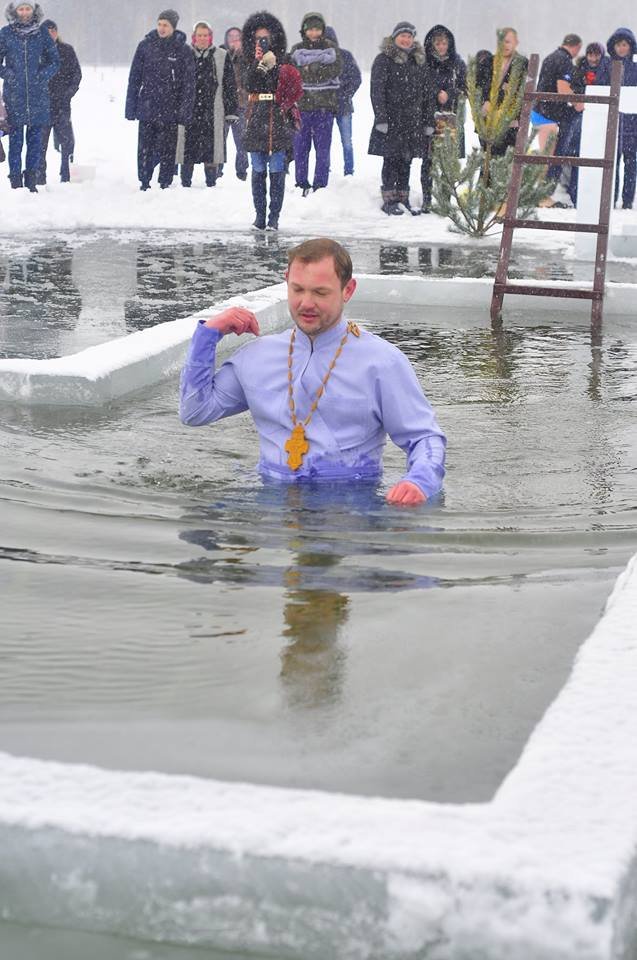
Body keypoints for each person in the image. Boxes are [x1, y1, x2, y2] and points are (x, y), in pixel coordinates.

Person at [180, 238, 446, 505]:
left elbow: (424, 437)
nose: (306, 303)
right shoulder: (256, 356)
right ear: (286, 280)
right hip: (271, 508)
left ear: (348, 290)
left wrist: (418, 482)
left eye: (320, 293)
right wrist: (208, 335)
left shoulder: (382, 363)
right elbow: (194, 411)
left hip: (351, 511)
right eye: (297, 289)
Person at [242, 11, 302, 231]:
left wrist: (275, 66)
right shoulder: (249, 59)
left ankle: (274, 217)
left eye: (265, 38)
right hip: (256, 118)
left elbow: (290, 87)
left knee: (277, 170)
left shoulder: (285, 61)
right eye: (258, 38)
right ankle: (259, 216)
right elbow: (249, 85)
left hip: (277, 118)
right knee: (258, 170)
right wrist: (258, 64)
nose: (262, 42)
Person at [125, 9, 195, 191]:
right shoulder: (145, 46)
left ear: (173, 27)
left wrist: (185, 110)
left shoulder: (183, 50)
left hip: (171, 110)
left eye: (166, 25)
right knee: (145, 148)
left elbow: (189, 84)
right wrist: (130, 107)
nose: (162, 28)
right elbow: (134, 78)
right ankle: (144, 180)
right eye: (159, 24)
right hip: (147, 107)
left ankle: (165, 182)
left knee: (168, 149)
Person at [368, 21, 431, 216]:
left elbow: (427, 93)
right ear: (395, 37)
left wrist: (427, 120)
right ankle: (389, 199)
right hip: (391, 119)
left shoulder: (419, 61)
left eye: (409, 36)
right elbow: (377, 90)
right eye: (403, 36)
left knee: (406, 160)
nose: (406, 40)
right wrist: (381, 117)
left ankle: (403, 198)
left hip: (412, 120)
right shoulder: (384, 59)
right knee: (391, 159)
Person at [0, 2, 59, 192]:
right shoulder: (6, 33)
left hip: (38, 98)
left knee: (35, 143)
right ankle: (15, 181)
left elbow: (54, 61)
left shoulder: (42, 34)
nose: (24, 12)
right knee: (15, 142)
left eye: (27, 8)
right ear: (15, 11)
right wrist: (9, 75)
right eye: (21, 9)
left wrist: (41, 76)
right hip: (14, 96)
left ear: (33, 11)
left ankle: (31, 180)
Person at [175, 21, 238, 188]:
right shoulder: (184, 54)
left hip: (212, 110)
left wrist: (231, 110)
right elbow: (176, 84)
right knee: (187, 147)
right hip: (189, 109)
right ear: (194, 37)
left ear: (210, 37)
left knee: (211, 148)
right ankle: (185, 182)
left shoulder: (221, 55)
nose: (202, 38)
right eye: (199, 35)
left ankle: (211, 182)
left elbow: (230, 85)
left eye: (205, 35)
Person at [290, 12, 342, 194]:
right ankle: (301, 183)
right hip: (301, 108)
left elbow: (335, 70)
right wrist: (316, 69)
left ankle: (320, 185)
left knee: (323, 149)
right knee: (300, 148)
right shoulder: (296, 49)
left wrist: (311, 69)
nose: (314, 33)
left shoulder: (331, 49)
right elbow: (292, 74)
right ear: (304, 31)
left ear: (323, 30)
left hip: (324, 108)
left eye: (317, 29)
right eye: (310, 29)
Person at [534, 33, 584, 206]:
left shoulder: (550, 57)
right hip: (549, 115)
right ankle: (542, 196)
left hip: (540, 110)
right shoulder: (564, 60)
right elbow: (562, 89)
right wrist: (578, 103)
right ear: (576, 46)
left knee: (547, 156)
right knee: (552, 157)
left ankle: (542, 195)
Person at [422, 24, 466, 213]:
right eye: (437, 43)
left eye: (444, 43)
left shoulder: (458, 64)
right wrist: (435, 93)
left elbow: (464, 86)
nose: (441, 47)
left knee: (448, 161)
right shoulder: (424, 63)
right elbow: (419, 85)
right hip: (429, 116)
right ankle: (427, 199)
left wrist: (449, 94)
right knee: (428, 160)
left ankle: (445, 200)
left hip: (451, 117)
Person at [37, 19, 81, 185]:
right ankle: (40, 177)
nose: (51, 34)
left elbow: (76, 74)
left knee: (67, 143)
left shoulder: (67, 50)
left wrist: (68, 93)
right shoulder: (36, 52)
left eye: (53, 31)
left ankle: (67, 174)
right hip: (41, 107)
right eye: (47, 32)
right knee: (40, 144)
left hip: (62, 105)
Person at [598, 29, 637, 210]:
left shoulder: (636, 66)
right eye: (618, 45)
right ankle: (610, 198)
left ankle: (627, 200)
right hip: (612, 121)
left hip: (633, 123)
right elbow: (600, 87)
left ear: (630, 46)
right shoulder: (607, 65)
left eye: (624, 45)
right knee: (611, 161)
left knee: (631, 163)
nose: (621, 48)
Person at [476, 28, 528, 158]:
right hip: (487, 121)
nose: (504, 45)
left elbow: (522, 91)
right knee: (488, 161)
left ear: (516, 42)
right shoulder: (487, 62)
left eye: (508, 42)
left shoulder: (522, 63)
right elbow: (478, 87)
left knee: (507, 161)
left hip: (510, 122)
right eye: (501, 42)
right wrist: (485, 101)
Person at [324, 26, 362, 176]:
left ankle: (349, 171)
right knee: (324, 143)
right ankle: (324, 169)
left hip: (344, 106)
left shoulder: (345, 56)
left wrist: (346, 94)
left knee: (347, 142)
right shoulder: (318, 57)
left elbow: (356, 78)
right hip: (323, 107)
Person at [220, 26, 249, 180]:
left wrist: (240, 56)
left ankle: (242, 171)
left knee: (242, 141)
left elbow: (249, 80)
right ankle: (217, 170)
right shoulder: (219, 54)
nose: (234, 39)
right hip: (222, 105)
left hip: (241, 104)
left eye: (237, 37)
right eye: (231, 36)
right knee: (220, 141)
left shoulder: (247, 56)